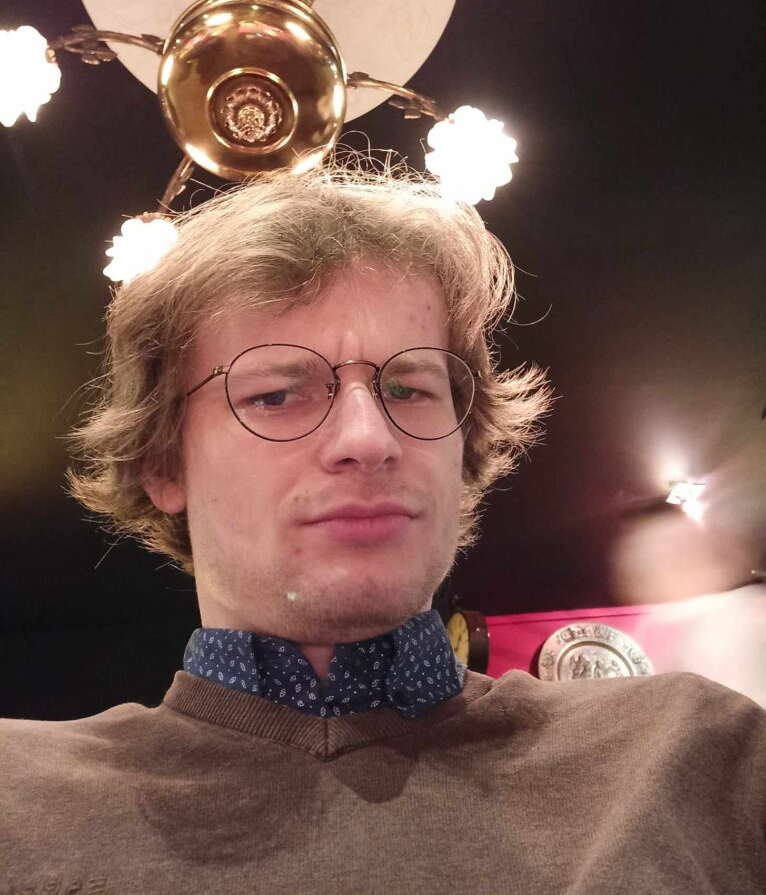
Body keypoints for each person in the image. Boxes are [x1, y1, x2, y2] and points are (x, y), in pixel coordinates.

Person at [2, 168, 764, 894]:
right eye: (277, 395)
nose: (369, 438)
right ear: (164, 464)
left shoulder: (702, 757)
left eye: (409, 388)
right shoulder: (18, 802)